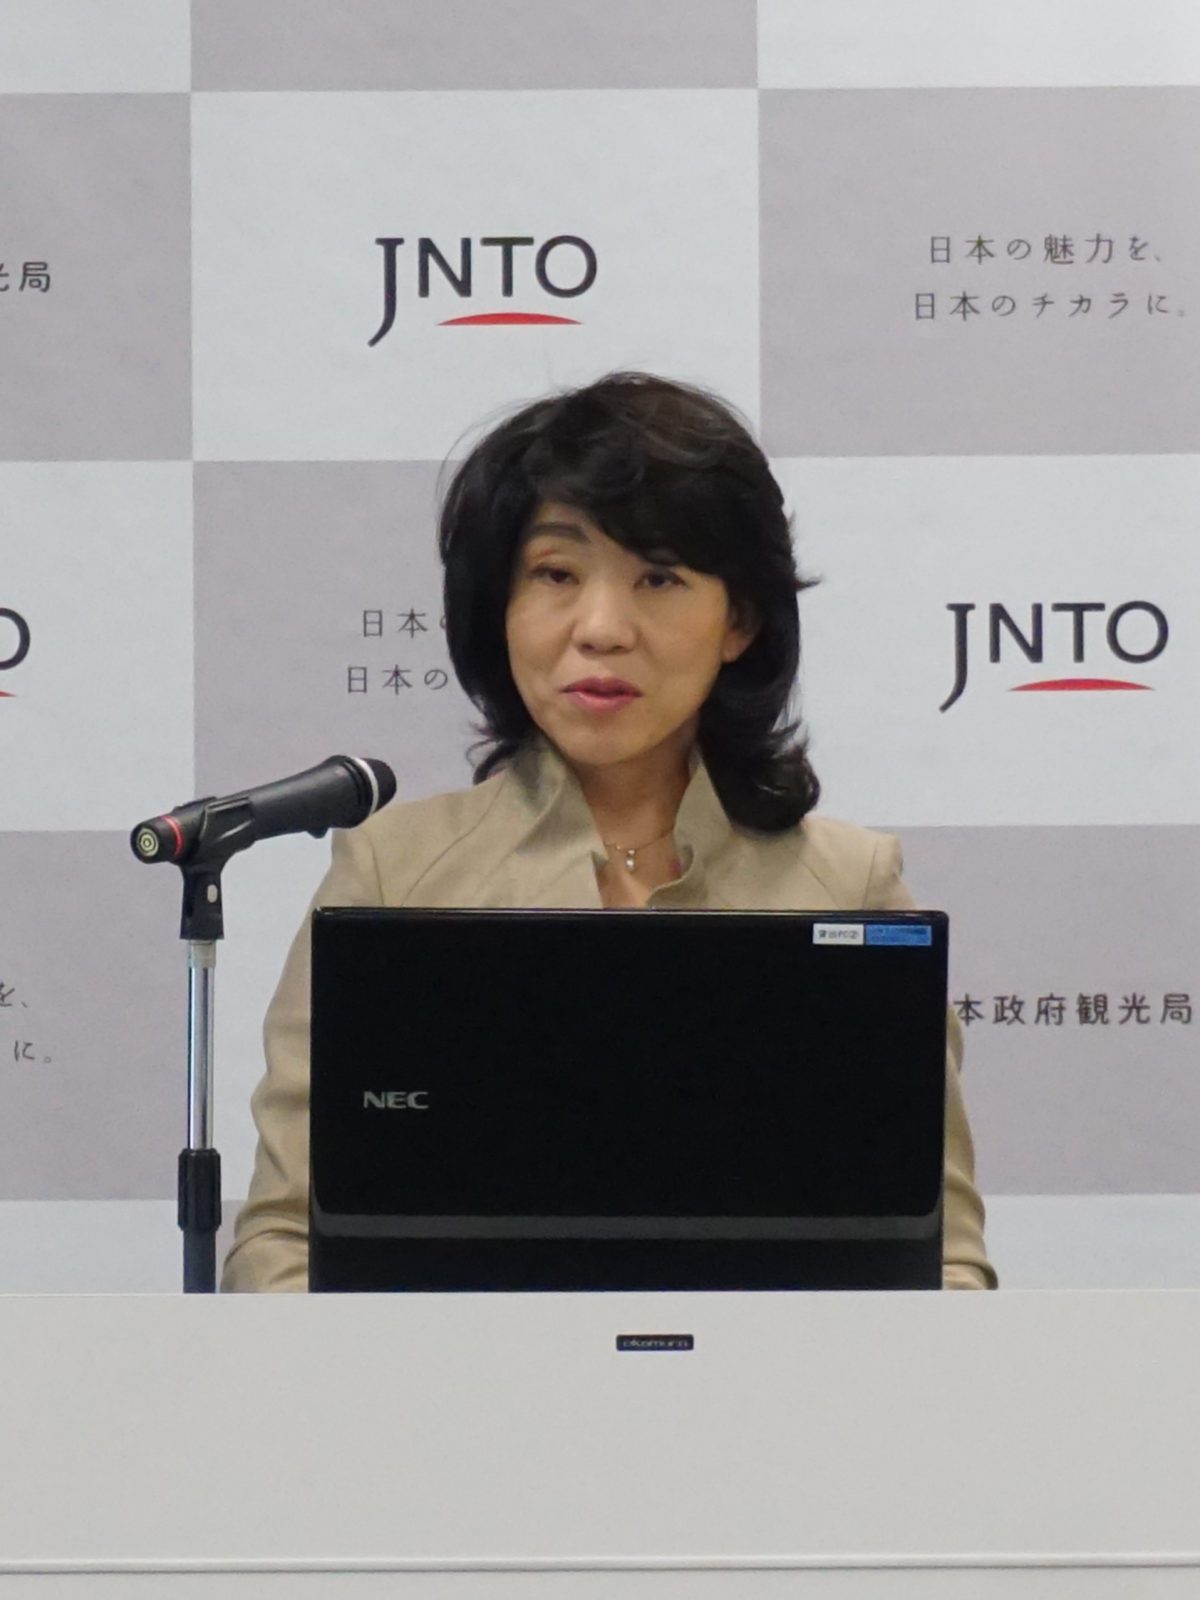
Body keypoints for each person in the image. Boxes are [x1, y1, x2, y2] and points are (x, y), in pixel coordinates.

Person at [221, 371, 996, 1292]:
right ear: (498, 607)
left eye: (659, 577)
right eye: (556, 574)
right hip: (458, 1383)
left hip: (771, 1384)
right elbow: (283, 1243)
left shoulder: (851, 884)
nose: (601, 629)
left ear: (740, 620)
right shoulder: (395, 872)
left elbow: (943, 1262)